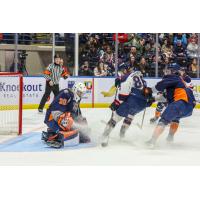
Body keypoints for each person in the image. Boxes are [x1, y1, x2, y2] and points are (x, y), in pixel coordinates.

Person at [101, 68, 155, 147]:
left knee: (115, 117)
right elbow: (147, 95)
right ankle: (122, 135)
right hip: (141, 105)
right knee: (130, 116)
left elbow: (124, 92)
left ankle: (104, 135)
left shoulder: (127, 77)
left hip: (131, 102)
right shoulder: (144, 82)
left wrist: (116, 103)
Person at [146, 64, 196, 148]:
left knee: (163, 120)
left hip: (179, 103)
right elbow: (166, 97)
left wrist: (148, 91)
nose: (166, 72)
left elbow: (159, 86)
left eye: (168, 70)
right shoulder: (180, 82)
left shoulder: (173, 77)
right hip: (188, 108)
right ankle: (170, 138)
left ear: (173, 71)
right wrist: (153, 99)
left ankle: (152, 141)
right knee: (175, 119)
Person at [42, 82, 91, 148]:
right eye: (79, 92)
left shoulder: (76, 98)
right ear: (75, 89)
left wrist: (82, 124)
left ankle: (53, 132)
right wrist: (65, 120)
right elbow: (55, 111)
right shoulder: (66, 94)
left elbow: (76, 113)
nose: (80, 95)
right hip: (51, 118)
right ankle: (53, 136)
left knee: (82, 121)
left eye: (82, 94)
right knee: (67, 120)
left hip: (61, 118)